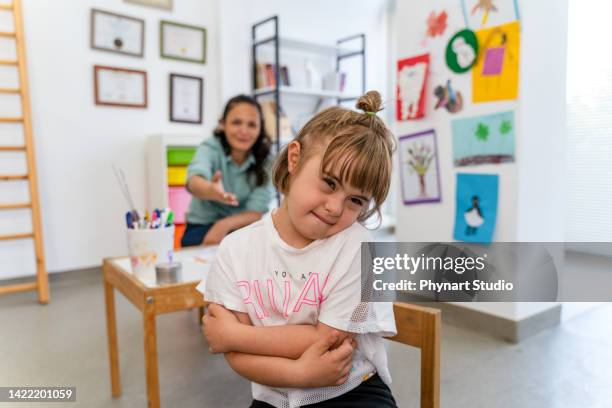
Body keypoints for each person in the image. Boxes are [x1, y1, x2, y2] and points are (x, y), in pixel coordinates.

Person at [196, 90, 398, 407]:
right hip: (273, 391)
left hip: (350, 389)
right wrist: (300, 374)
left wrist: (235, 335)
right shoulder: (236, 248)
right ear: (294, 159)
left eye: (355, 200)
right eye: (329, 183)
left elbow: (327, 341)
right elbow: (235, 356)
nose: (334, 207)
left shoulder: (358, 246)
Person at [182, 95, 273, 247]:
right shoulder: (210, 148)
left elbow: (256, 212)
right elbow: (194, 181)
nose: (244, 131)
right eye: (236, 122)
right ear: (223, 124)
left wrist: (223, 225)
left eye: (252, 125)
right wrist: (212, 191)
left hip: (243, 229)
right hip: (201, 228)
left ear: (260, 129)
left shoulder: (267, 161)